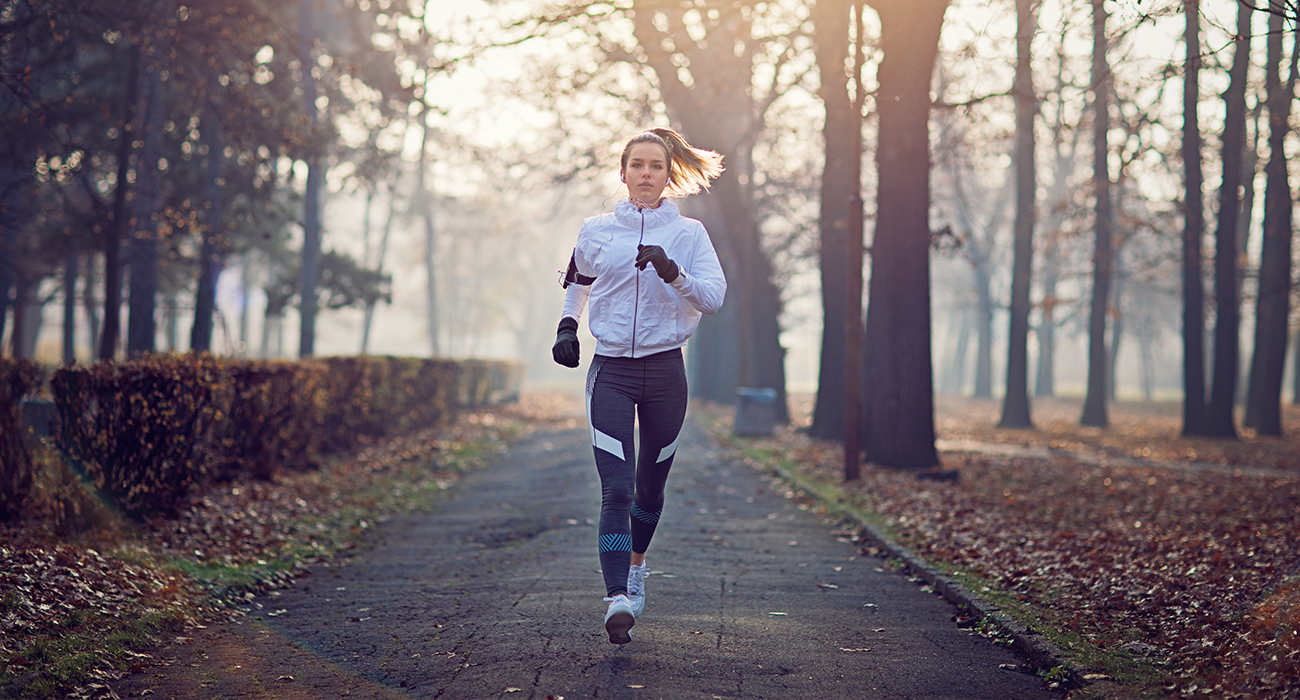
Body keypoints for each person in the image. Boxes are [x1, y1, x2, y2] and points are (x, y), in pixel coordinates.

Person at [552, 127, 726, 644]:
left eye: (655, 166)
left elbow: (713, 298)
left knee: (649, 489)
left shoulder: (690, 234)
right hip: (611, 371)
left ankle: (636, 568)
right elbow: (578, 280)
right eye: (637, 165)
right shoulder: (596, 229)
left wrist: (673, 272)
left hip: (665, 373)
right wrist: (566, 327)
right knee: (618, 487)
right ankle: (616, 598)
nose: (646, 174)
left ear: (669, 174)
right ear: (623, 172)